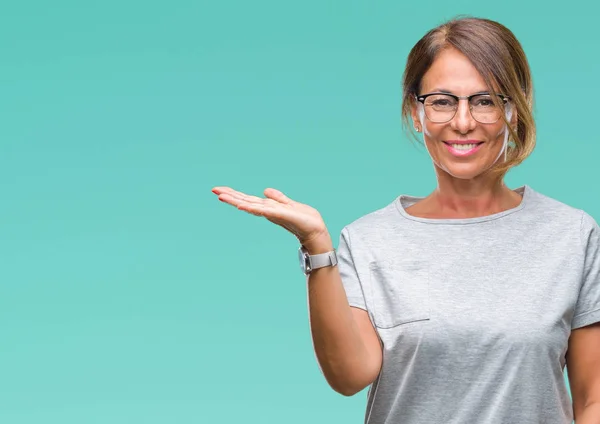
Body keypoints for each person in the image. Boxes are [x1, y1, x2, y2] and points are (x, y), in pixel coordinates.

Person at [211, 16, 600, 424]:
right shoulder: (368, 240)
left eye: (485, 101)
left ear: (514, 111)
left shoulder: (572, 235)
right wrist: (318, 248)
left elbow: (592, 400)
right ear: (416, 113)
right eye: (442, 101)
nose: (463, 122)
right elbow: (349, 375)